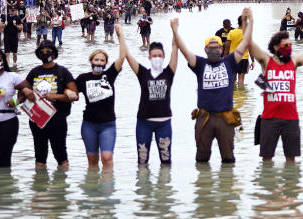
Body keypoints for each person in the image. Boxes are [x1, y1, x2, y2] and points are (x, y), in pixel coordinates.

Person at [173, 8, 252, 163]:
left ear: (222, 49)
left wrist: (250, 21)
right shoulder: (200, 64)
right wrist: (175, 30)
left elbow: (246, 42)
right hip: (204, 117)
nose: (214, 50)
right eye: (211, 48)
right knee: (202, 160)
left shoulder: (229, 61)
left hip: (225, 117)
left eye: (217, 48)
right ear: (205, 50)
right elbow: (185, 51)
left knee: (228, 159)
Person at [250, 24, 303, 162]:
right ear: (276, 47)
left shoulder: (294, 61)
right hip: (269, 118)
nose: (289, 47)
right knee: (267, 160)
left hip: (291, 118)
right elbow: (249, 43)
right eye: (285, 45)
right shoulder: (267, 61)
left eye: (290, 44)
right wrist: (248, 22)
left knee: (291, 160)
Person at [122, 23, 183, 166]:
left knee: (166, 160)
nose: (157, 58)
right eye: (154, 56)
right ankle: (144, 187)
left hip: (164, 122)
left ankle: (164, 187)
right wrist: (120, 36)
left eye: (160, 56)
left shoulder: (169, 72)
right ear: (149, 57)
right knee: (142, 161)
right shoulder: (143, 73)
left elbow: (175, 47)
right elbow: (127, 55)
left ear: (164, 57)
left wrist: (174, 29)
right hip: (144, 122)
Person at [21, 40, 78, 168]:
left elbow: (75, 96)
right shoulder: (34, 72)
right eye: (41, 51)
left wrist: (55, 96)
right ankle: (40, 184)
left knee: (60, 154)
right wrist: (25, 90)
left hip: (57, 119)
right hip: (37, 119)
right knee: (39, 156)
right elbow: (22, 89)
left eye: (48, 51)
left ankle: (61, 185)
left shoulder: (62, 71)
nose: (45, 53)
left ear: (54, 53)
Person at [73, 34, 127, 168]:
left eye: (102, 60)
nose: (98, 62)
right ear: (90, 61)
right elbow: (72, 92)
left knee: (107, 158)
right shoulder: (83, 78)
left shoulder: (109, 75)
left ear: (105, 63)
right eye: (96, 60)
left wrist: (120, 36)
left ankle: (108, 188)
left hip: (107, 124)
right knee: (92, 161)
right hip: (89, 124)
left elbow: (122, 57)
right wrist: (70, 93)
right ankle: (92, 187)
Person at [229, 16, 250, 88]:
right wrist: (253, 60)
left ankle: (232, 95)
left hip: (232, 58)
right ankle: (241, 97)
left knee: (232, 79)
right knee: (241, 80)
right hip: (243, 58)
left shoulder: (232, 32)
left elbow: (227, 46)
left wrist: (224, 58)